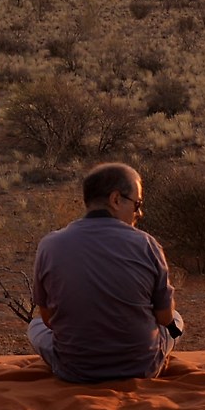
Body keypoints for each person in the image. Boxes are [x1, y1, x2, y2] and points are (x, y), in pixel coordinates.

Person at [27, 163, 182, 383]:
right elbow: (164, 317)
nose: (139, 212)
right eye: (137, 204)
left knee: (35, 326)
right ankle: (165, 351)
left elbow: (48, 319)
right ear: (116, 199)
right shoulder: (147, 244)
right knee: (176, 322)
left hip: (75, 369)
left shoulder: (50, 245)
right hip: (141, 366)